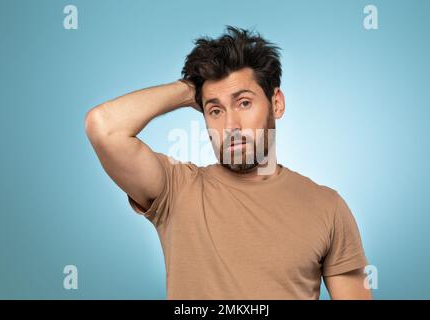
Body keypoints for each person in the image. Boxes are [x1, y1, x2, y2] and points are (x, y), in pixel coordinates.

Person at [84, 25, 371, 300]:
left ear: (276, 103)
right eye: (215, 110)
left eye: (244, 103)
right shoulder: (176, 188)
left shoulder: (327, 206)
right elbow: (104, 127)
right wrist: (189, 90)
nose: (230, 125)